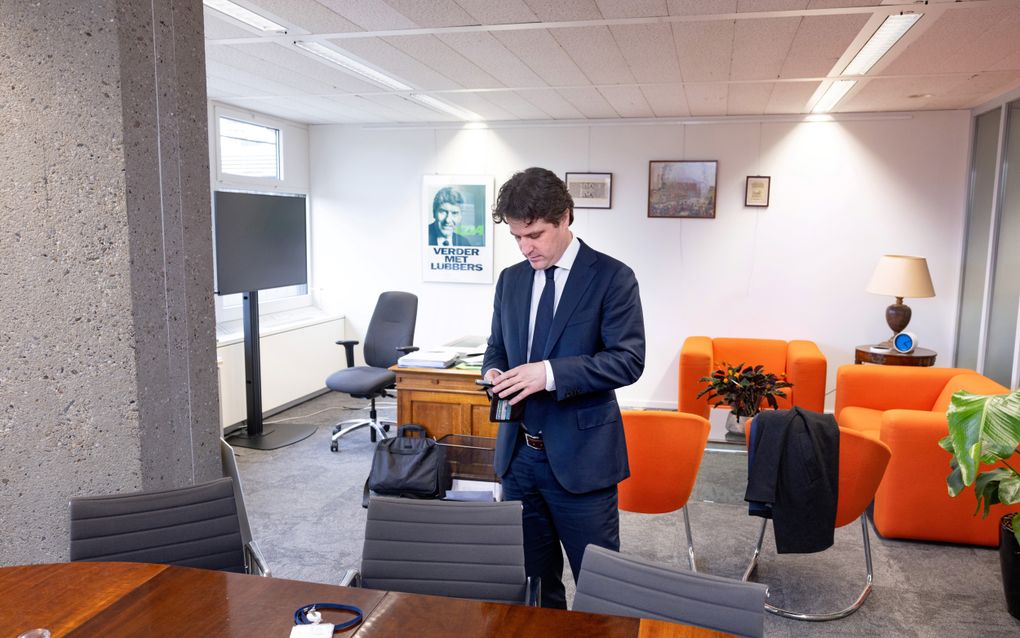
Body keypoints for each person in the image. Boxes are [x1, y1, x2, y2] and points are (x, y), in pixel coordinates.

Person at [481, 167, 645, 608]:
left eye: (534, 234)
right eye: (517, 237)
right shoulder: (511, 280)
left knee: (599, 586)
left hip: (581, 462)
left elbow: (628, 360)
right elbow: (497, 347)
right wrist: (493, 374)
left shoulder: (612, 277)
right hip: (518, 459)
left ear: (566, 217)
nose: (525, 247)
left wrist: (548, 374)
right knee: (534, 586)